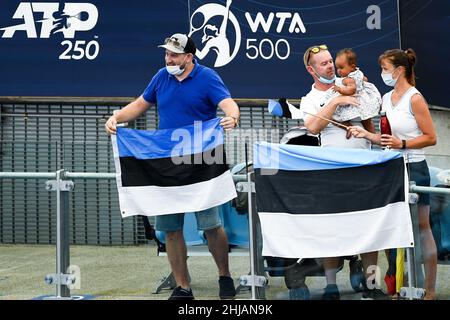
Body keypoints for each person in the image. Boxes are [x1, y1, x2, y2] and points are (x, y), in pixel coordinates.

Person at [104, 33, 240, 300]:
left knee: (211, 225)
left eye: (174, 54)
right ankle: (183, 286)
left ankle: (225, 276)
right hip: (165, 161)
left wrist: (232, 116)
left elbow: (227, 103)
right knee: (169, 228)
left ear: (189, 57)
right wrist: (116, 117)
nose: (168, 58)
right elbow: (140, 104)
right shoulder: (160, 76)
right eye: (166, 54)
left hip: (201, 159)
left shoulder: (208, 76)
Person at [300, 44, 388, 300]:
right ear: (311, 70)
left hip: (365, 168)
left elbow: (371, 109)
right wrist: (336, 100)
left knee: (370, 229)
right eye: (324, 63)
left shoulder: (353, 82)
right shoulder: (310, 98)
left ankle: (372, 286)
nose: (330, 66)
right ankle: (331, 286)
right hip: (333, 172)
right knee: (333, 230)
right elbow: (313, 127)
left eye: (331, 61)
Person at [349, 48, 438, 300]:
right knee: (392, 228)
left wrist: (404, 145)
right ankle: (398, 285)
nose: (382, 74)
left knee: (422, 227)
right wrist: (366, 135)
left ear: (399, 70)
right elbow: (388, 138)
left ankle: (429, 290)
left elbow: (431, 137)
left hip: (415, 167)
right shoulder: (387, 98)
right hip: (392, 168)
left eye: (385, 69)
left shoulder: (415, 98)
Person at [333, 48, 380, 134]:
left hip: (354, 102)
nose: (338, 70)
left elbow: (352, 90)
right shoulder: (358, 72)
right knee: (367, 121)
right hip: (363, 101)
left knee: (337, 117)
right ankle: (373, 137)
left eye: (341, 67)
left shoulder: (348, 79)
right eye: (337, 68)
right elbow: (365, 79)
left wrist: (340, 89)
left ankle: (348, 127)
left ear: (352, 67)